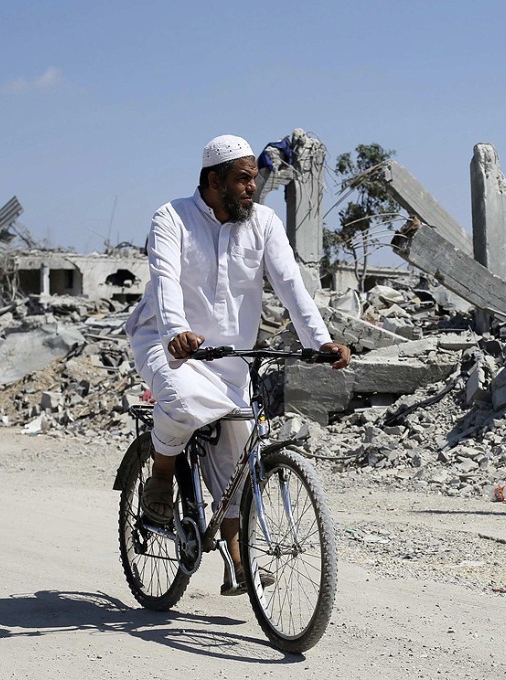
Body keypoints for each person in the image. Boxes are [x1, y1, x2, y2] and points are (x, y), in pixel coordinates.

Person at [125, 134, 351, 594]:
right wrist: (175, 333)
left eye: (253, 179)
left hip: (232, 357)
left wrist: (321, 342)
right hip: (169, 343)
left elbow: (291, 284)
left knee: (239, 455)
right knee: (183, 401)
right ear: (214, 180)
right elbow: (165, 279)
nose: (252, 188)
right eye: (242, 179)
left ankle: (238, 562)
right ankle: (162, 478)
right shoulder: (172, 217)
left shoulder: (264, 222)